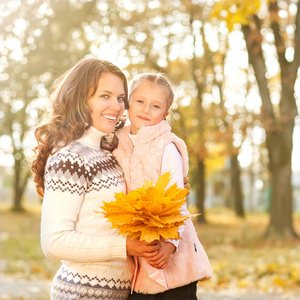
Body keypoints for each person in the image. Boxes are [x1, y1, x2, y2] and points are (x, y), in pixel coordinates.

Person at [30, 58, 161, 300]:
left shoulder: (109, 153)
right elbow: (54, 241)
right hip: (81, 293)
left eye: (121, 98)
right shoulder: (70, 157)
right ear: (80, 99)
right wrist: (124, 247)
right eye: (105, 96)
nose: (117, 106)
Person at [113, 73, 213, 300]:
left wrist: (169, 246)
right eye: (140, 101)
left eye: (155, 105)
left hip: (169, 255)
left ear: (166, 113)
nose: (146, 109)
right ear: (128, 102)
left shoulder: (166, 147)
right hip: (136, 255)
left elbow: (176, 201)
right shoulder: (116, 141)